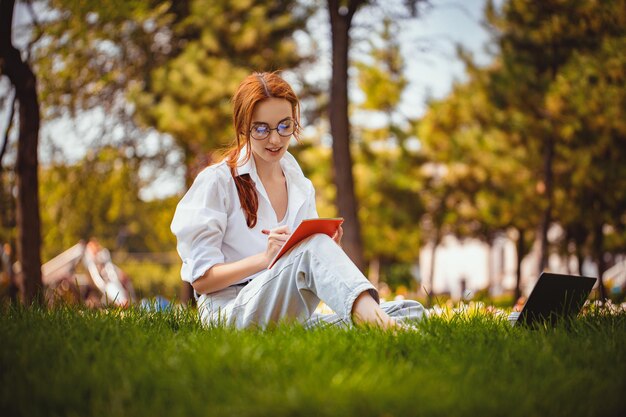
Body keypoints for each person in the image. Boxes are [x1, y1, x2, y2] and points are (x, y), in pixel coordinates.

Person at [171, 71, 425, 329]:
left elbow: (306, 263)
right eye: (261, 128)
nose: (275, 139)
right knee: (314, 250)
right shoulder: (217, 181)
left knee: (409, 309)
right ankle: (387, 330)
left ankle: (379, 322)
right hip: (229, 311)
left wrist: (329, 250)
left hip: (287, 310)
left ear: (295, 122)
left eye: (284, 126)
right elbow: (201, 281)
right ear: (242, 128)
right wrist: (265, 258)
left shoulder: (299, 185)